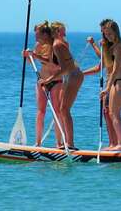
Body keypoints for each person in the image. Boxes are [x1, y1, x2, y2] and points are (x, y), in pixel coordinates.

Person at [40, 21, 84, 150]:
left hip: (74, 75)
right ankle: (68, 143)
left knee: (64, 109)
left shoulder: (57, 45)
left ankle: (70, 144)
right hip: (70, 75)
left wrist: (48, 79)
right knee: (62, 108)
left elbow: (65, 68)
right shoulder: (58, 44)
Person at [22, 21, 64, 147]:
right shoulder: (38, 45)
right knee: (41, 112)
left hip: (56, 81)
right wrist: (26, 56)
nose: (36, 37)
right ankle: (38, 143)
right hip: (42, 81)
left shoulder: (55, 45)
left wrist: (34, 55)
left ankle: (59, 143)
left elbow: (51, 62)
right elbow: (31, 61)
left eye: (38, 34)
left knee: (57, 111)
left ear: (45, 34)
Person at [83, 19, 118, 149]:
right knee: (106, 112)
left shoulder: (114, 46)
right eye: (103, 31)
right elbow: (100, 65)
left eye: (105, 31)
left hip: (114, 82)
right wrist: (82, 74)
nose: (103, 33)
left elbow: (104, 59)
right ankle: (112, 143)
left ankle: (116, 143)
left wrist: (94, 45)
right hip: (109, 82)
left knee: (110, 112)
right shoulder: (106, 45)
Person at [99, 20, 121, 151]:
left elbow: (116, 69)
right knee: (112, 113)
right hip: (116, 82)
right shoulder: (113, 46)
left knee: (115, 113)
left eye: (110, 34)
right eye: (106, 34)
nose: (108, 36)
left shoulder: (119, 47)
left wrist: (106, 88)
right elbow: (107, 64)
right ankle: (118, 144)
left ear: (116, 32)